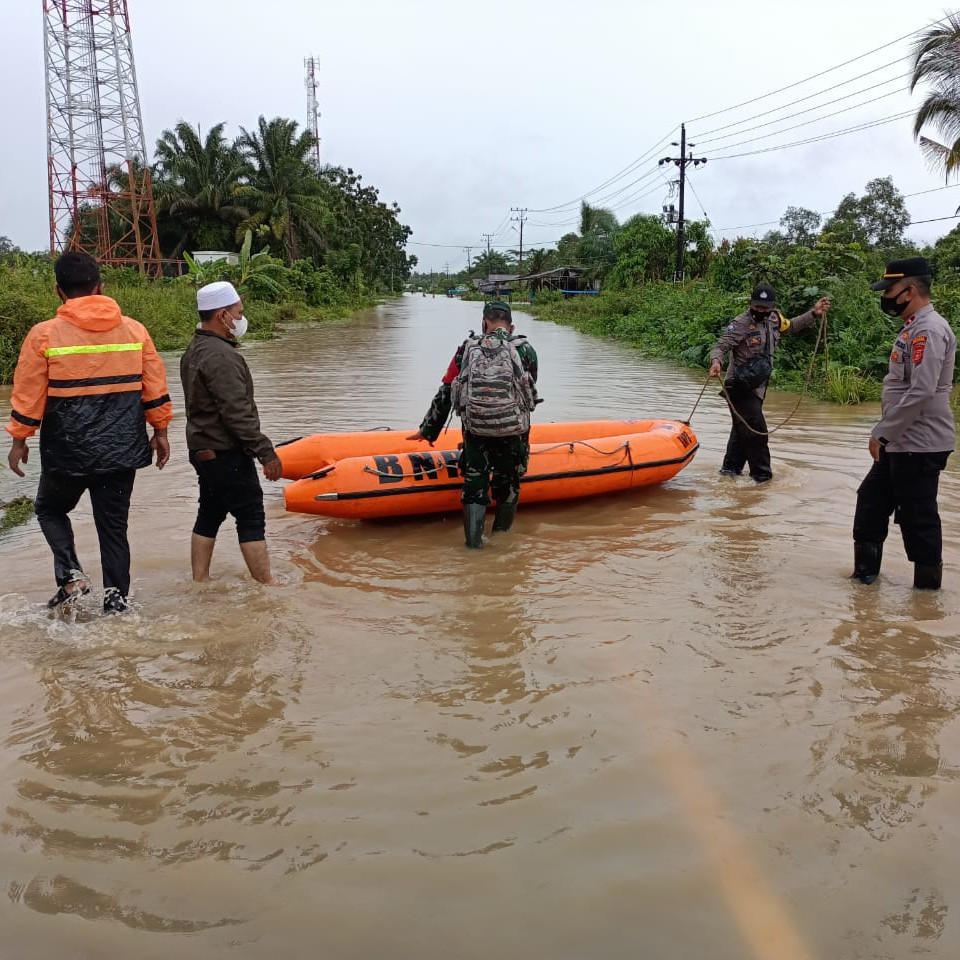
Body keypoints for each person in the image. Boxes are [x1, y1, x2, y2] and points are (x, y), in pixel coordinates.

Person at [5, 251, 172, 613]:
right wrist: (160, 431)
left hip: (68, 452)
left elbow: (28, 393)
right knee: (113, 529)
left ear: (58, 291)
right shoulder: (134, 330)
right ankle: (116, 603)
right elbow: (154, 387)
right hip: (122, 450)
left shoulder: (44, 335)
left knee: (50, 509)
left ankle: (71, 576)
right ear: (100, 286)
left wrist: (19, 439)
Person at [852, 257, 955, 590]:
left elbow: (922, 390)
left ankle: (926, 599)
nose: (886, 296)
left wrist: (882, 433)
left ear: (909, 290)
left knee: (917, 518)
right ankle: (864, 582)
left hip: (919, 443)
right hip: (901, 441)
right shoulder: (913, 326)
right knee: (870, 502)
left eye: (891, 289)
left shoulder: (929, 329)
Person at [408, 300, 539, 548]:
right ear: (511, 327)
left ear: (484, 322)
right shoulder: (526, 350)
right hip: (514, 433)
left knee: (474, 486)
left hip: (476, 432)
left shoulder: (467, 348)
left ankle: (473, 548)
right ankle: (502, 542)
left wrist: (428, 430)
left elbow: (447, 389)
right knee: (508, 484)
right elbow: (528, 393)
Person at [180, 281, 283, 584]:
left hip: (202, 450)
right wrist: (265, 452)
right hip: (225, 453)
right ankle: (268, 587)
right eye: (238, 313)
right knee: (251, 515)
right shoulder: (221, 356)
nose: (241, 319)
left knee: (210, 512)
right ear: (223, 316)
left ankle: (200, 581)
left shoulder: (194, 350)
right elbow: (236, 413)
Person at [709, 283, 830, 483]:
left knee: (742, 432)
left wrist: (814, 313)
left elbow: (791, 326)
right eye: (757, 307)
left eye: (766, 308)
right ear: (750, 304)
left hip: (758, 386)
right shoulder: (740, 323)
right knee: (757, 432)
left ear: (773, 307)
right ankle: (762, 479)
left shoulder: (774, 319)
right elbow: (721, 346)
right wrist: (716, 363)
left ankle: (729, 473)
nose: (761, 311)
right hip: (738, 387)